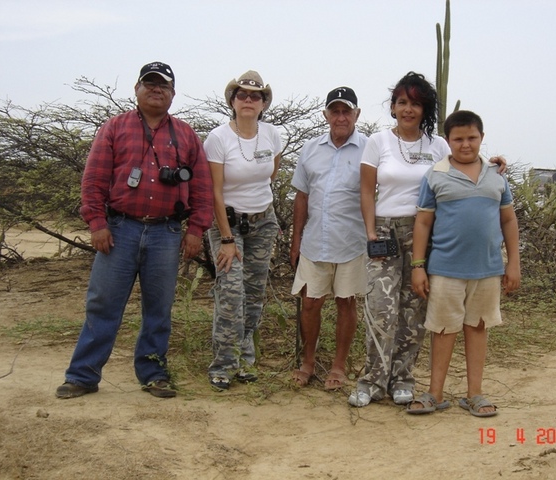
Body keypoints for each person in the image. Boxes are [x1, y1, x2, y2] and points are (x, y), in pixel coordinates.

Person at [56, 61, 214, 399]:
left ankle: (154, 373)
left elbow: (201, 189)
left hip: (166, 234)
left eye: (163, 86)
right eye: (150, 84)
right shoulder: (114, 127)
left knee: (158, 309)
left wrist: (196, 230)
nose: (156, 90)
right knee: (103, 304)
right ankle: (82, 375)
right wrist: (97, 224)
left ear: (173, 93)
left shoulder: (186, 135)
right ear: (137, 89)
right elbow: (94, 180)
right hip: (119, 229)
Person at [350, 72, 506, 408]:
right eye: (402, 102)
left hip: (426, 236)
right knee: (381, 309)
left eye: (416, 103)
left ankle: (403, 378)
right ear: (393, 107)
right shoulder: (377, 141)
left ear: (426, 109)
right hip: (386, 231)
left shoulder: (437, 144)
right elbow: (366, 189)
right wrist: (370, 232)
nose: (408, 109)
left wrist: (495, 163)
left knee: (415, 310)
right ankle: (372, 381)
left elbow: (467, 164)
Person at [408, 110, 520, 417]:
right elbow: (423, 223)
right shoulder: (436, 175)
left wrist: (513, 264)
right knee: (443, 329)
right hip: (445, 269)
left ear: (482, 137)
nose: (466, 144)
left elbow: (508, 219)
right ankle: (434, 393)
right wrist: (418, 265)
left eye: (472, 137)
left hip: (487, 269)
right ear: (448, 141)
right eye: (458, 139)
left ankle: (475, 395)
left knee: (478, 327)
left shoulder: (496, 176)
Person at [203, 70, 282, 391]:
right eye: (242, 95)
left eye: (255, 96)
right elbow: (214, 192)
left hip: (263, 222)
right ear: (233, 101)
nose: (248, 100)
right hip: (228, 224)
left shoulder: (273, 135)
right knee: (231, 291)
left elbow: (271, 173)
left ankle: (244, 358)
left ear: (263, 103)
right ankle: (223, 363)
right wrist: (225, 238)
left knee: (253, 294)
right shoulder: (218, 138)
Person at [289, 87, 368, 390]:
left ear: (357, 115)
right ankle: (308, 362)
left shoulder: (369, 149)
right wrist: (296, 240)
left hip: (351, 242)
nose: (340, 117)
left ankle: (338, 366)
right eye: (334, 111)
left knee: (346, 303)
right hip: (314, 242)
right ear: (326, 115)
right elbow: (301, 196)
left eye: (346, 111)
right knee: (310, 303)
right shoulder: (310, 148)